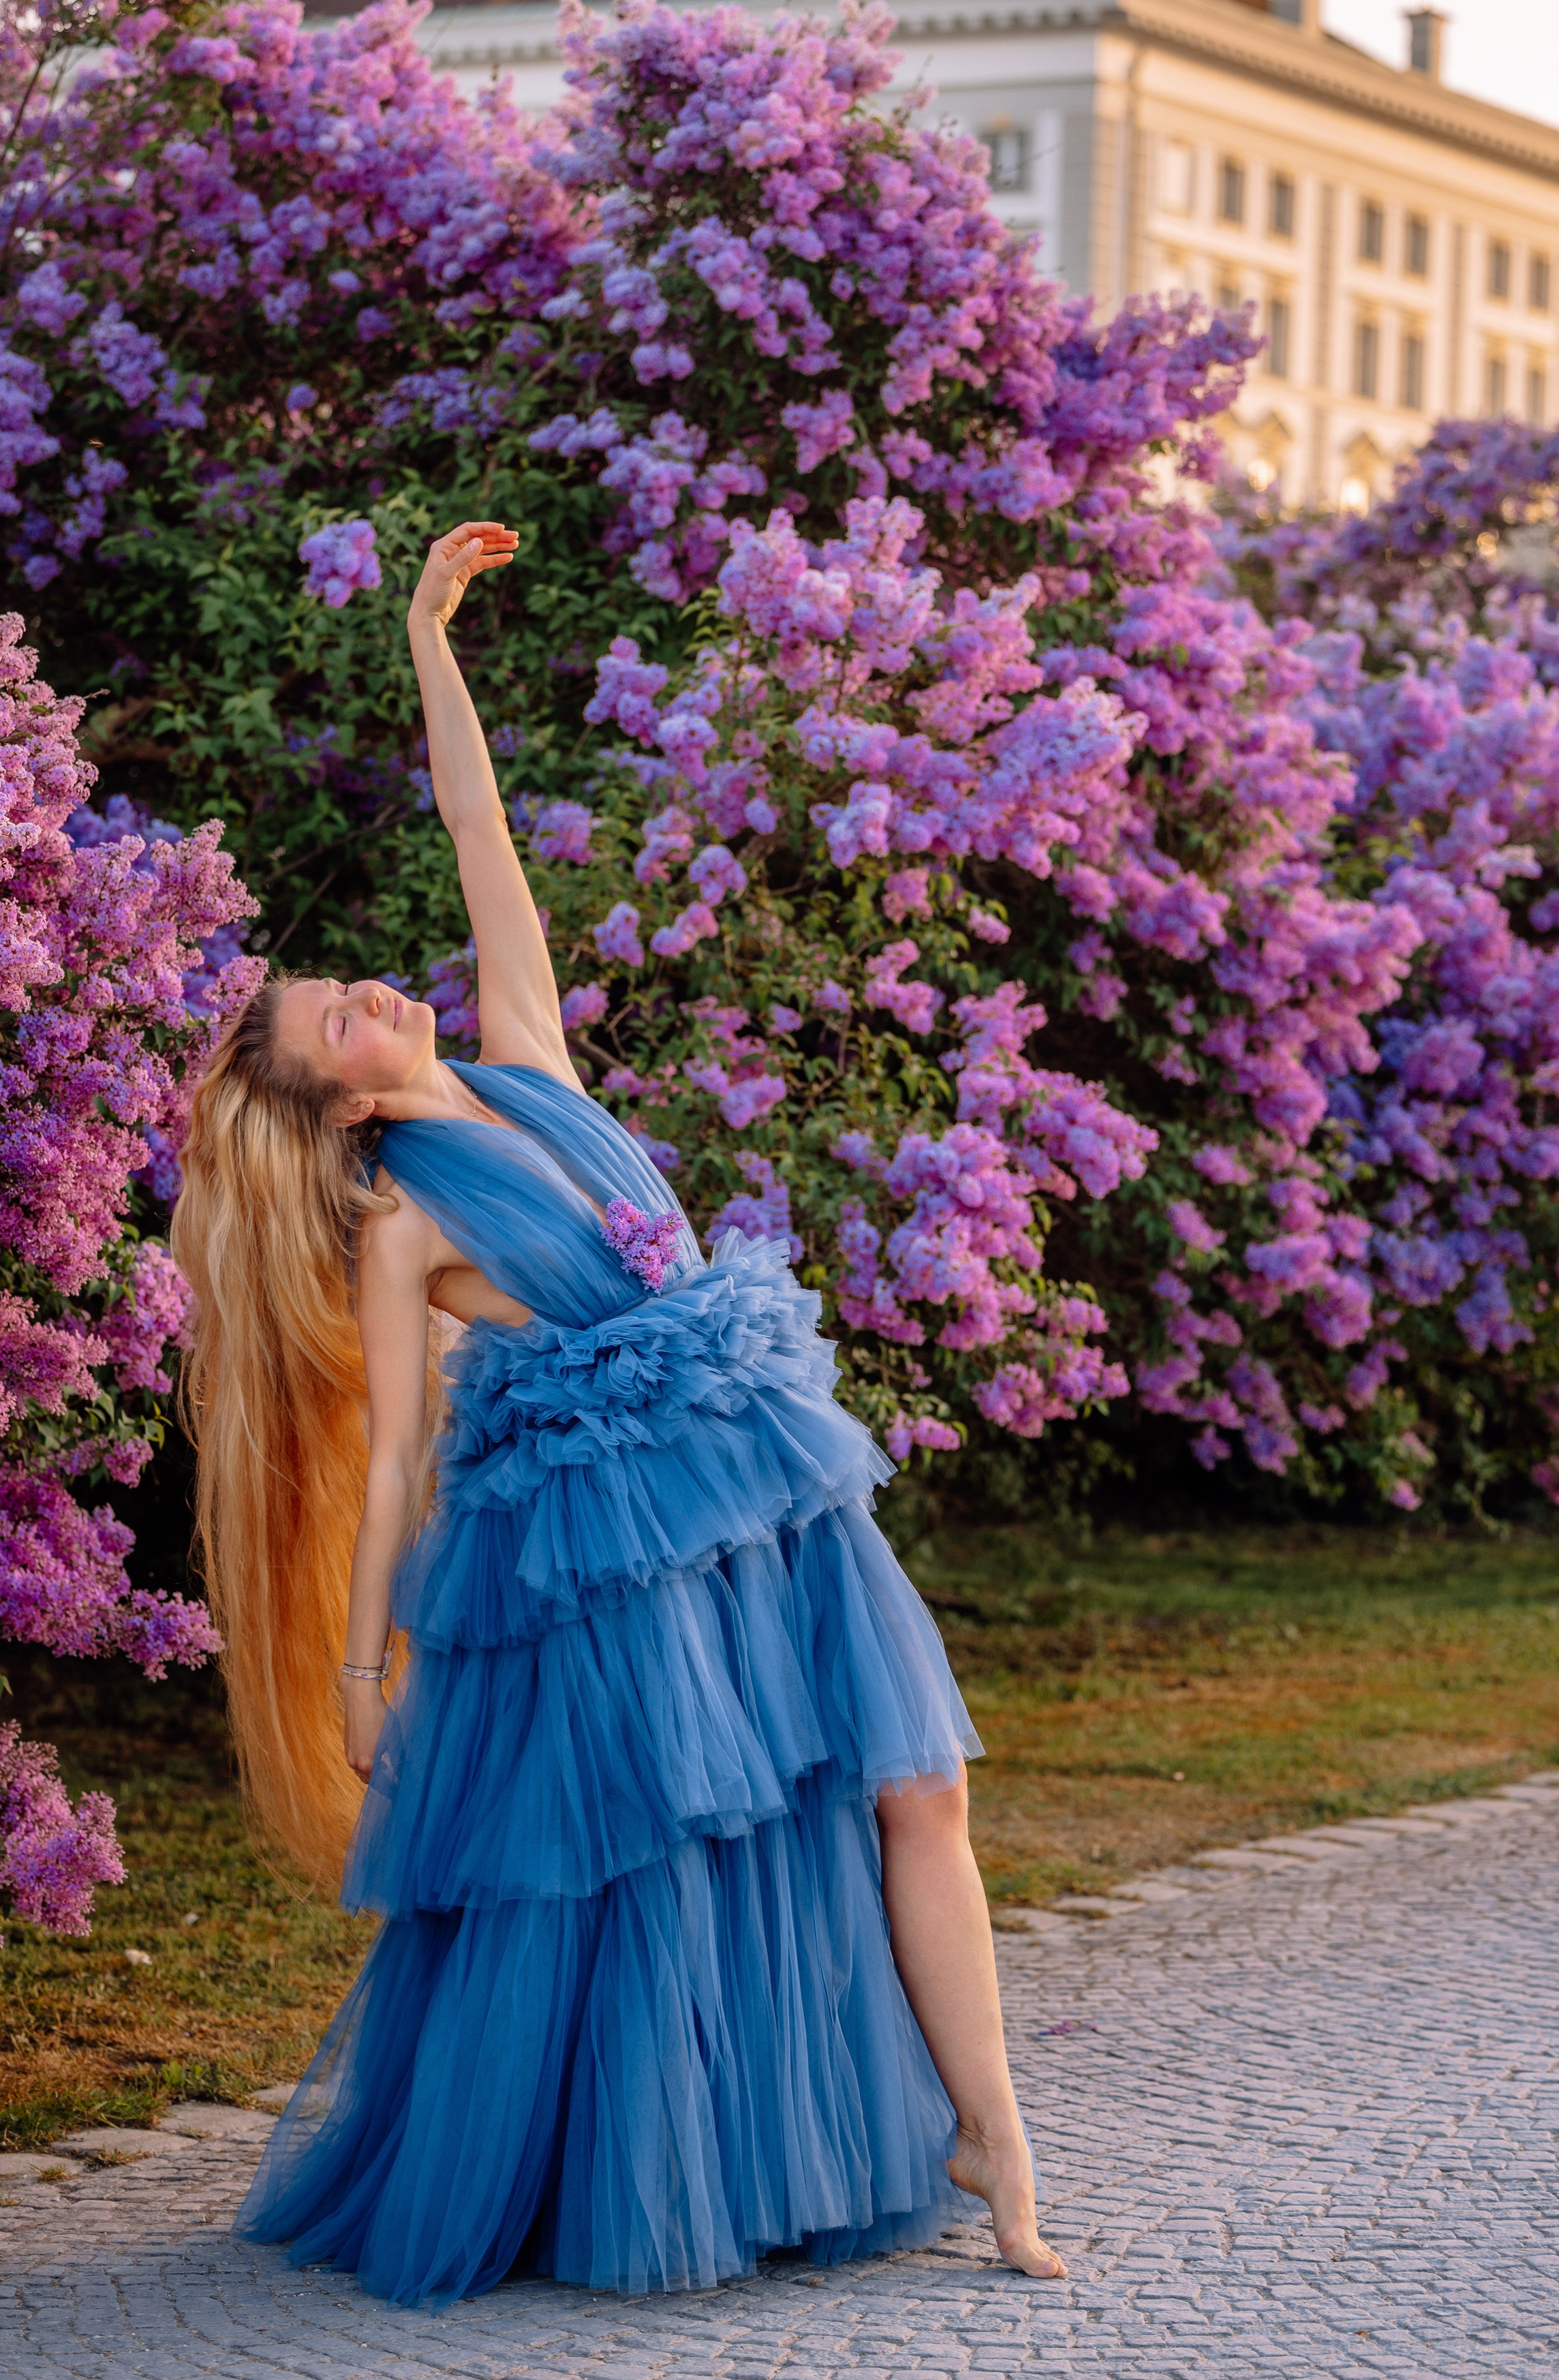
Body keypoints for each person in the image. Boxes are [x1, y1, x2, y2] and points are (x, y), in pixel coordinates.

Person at [172, 519, 1066, 2306]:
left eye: (336, 981)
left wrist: (432, 637)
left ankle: (1000, 2144)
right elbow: (407, 1465)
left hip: (768, 1478)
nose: (358, 993)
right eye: (323, 1022)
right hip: (614, 1556)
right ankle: (669, 2161)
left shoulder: (527, 1056)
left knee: (921, 1797)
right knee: (666, 1879)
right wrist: (365, 1678)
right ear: (339, 1111)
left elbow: (479, 836)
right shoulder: (407, 1223)